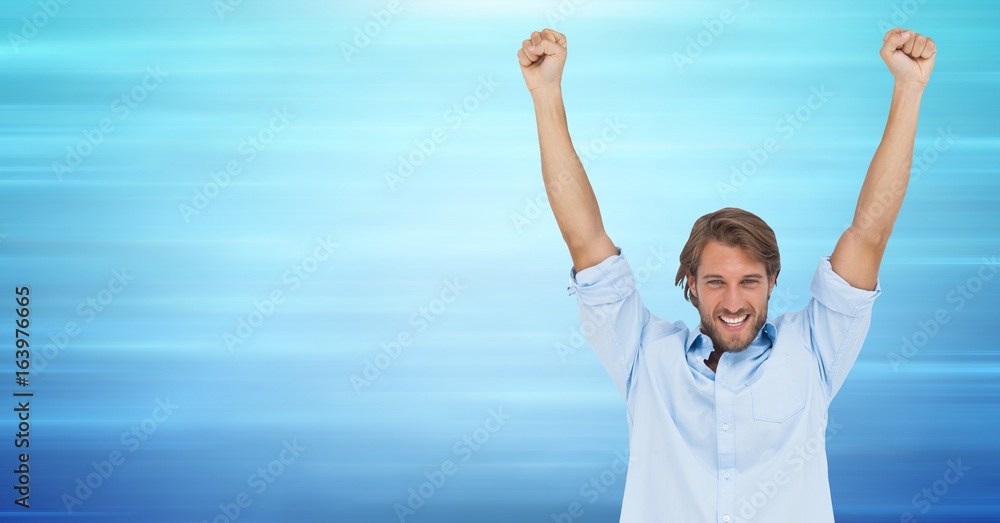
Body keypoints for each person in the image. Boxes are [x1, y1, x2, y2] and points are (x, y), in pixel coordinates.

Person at [517, 27, 936, 522]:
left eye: (749, 282)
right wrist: (546, 93)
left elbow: (870, 233)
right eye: (716, 282)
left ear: (773, 282)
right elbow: (584, 238)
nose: (733, 301)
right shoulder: (644, 357)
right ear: (691, 284)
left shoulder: (814, 350)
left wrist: (909, 89)